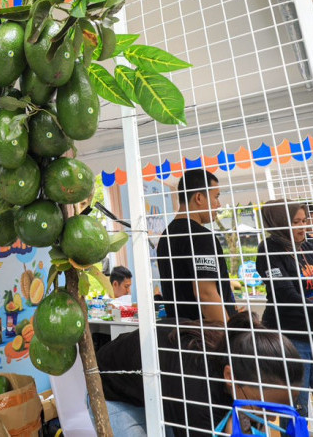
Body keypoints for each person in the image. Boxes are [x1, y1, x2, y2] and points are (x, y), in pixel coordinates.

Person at [95, 312, 303, 436]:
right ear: (230, 377)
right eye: (262, 408)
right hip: (110, 392)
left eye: (280, 410)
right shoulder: (197, 393)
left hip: (161, 390)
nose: (273, 417)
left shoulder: (236, 356)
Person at [255, 199, 313, 416]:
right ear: (280, 223)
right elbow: (285, 294)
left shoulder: (307, 246)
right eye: (296, 222)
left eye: (304, 221)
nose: (303, 227)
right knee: (297, 405)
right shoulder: (269, 249)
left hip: (310, 332)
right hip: (291, 337)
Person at [157, 169, 237, 323]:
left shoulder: (166, 236)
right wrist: (231, 335)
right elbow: (205, 294)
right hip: (208, 336)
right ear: (199, 197)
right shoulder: (201, 236)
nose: (218, 204)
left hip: (180, 335)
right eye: (216, 197)